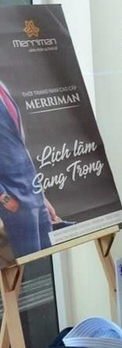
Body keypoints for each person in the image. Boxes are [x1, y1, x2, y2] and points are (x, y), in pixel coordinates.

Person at [0, 80, 58, 258]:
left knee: (49, 263)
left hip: (33, 193)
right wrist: (3, 197)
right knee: (31, 272)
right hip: (13, 200)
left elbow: (20, 146)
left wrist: (41, 196)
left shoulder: (2, 87)